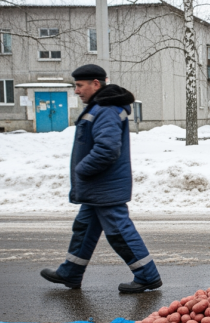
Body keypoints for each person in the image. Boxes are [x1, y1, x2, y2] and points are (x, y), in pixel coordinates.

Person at [40, 64, 162, 294]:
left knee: (120, 233)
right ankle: (71, 272)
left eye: (79, 85)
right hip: (98, 189)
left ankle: (147, 276)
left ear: (96, 83)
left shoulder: (105, 109)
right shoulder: (99, 107)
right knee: (84, 229)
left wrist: (81, 169)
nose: (76, 91)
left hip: (104, 187)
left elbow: (107, 149)